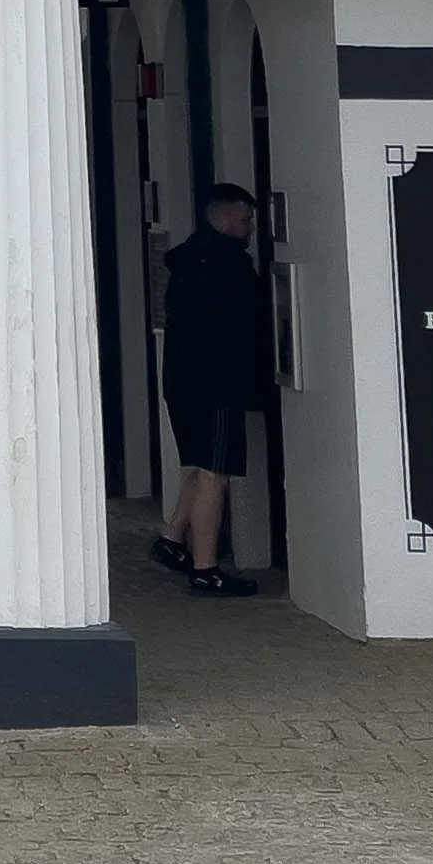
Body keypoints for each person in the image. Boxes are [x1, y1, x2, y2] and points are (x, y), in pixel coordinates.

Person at [152, 183, 268, 596]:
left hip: (182, 379)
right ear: (221, 219)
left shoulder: (188, 261)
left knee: (198, 466)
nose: (251, 227)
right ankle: (205, 567)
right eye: (245, 218)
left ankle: (171, 538)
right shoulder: (226, 266)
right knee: (215, 474)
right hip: (217, 381)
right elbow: (243, 322)